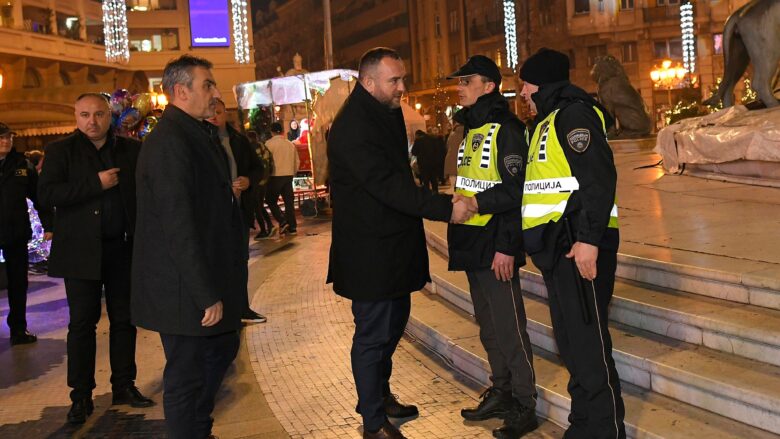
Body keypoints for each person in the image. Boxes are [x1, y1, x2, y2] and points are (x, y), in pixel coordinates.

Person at [327, 46, 474, 439]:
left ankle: (379, 395)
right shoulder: (353, 126)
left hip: (392, 246)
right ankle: (373, 422)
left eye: (403, 78)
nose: (402, 87)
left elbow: (399, 180)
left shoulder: (384, 113)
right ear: (369, 80)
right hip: (369, 253)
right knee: (373, 336)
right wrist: (445, 207)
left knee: (392, 328)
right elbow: (387, 186)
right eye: (395, 80)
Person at [131, 55, 247, 439]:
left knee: (222, 350)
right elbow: (176, 224)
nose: (215, 92)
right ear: (181, 92)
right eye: (207, 85)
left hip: (205, 276)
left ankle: (199, 428)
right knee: (185, 377)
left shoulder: (196, 132)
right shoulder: (169, 141)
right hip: (183, 288)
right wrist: (204, 294)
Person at [519, 48, 625, 439]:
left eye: (527, 84)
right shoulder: (546, 121)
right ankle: (583, 427)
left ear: (542, 83)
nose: (523, 93)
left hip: (578, 245)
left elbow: (598, 180)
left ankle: (604, 431)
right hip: (557, 249)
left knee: (589, 349)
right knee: (573, 346)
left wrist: (587, 239)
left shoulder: (574, 115)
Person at [38, 93, 154, 424]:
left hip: (122, 249)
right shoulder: (60, 152)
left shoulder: (130, 151)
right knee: (81, 325)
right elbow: (47, 195)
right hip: (80, 252)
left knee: (124, 320)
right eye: (85, 114)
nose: (93, 121)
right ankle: (81, 395)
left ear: (110, 116)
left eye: (99, 114)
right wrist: (95, 184)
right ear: (76, 116)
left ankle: (123, 385)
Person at [446, 55, 538, 439]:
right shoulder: (470, 128)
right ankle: (501, 390)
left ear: (489, 86)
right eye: (459, 81)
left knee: (509, 327)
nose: (460, 87)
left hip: (495, 246)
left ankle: (524, 403)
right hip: (471, 243)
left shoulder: (507, 129)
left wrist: (507, 247)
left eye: (467, 81)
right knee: (488, 327)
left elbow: (517, 191)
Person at [206, 99, 266, 324]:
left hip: (238, 212)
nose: (214, 116)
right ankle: (223, 310)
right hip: (215, 215)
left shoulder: (238, 140)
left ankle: (241, 308)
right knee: (218, 263)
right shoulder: (201, 141)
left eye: (219, 112)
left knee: (240, 261)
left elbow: (258, 168)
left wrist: (248, 181)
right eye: (210, 112)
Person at [0, 122, 41, 346]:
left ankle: (18, 329)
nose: (6, 141)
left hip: (15, 233)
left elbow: (39, 196)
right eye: (1, 138)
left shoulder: (22, 165)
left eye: (9, 137)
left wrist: (50, 225)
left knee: (18, 283)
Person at [265, 121, 299, 235]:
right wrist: (293, 173)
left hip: (275, 176)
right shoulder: (290, 144)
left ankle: (282, 221)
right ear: (283, 131)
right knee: (289, 202)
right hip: (288, 175)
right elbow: (296, 161)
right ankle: (292, 227)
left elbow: (266, 162)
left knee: (270, 200)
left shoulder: (268, 144)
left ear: (272, 132)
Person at [248, 130, 276, 240]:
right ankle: (269, 226)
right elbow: (271, 163)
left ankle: (265, 229)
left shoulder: (251, 148)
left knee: (257, 207)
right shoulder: (264, 147)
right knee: (260, 205)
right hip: (265, 180)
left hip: (256, 182)